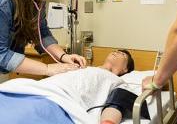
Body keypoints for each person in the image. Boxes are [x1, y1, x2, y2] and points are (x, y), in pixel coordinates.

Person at [0, 0, 86, 77]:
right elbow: (1, 54)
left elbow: (42, 32)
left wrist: (64, 56)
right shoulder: (4, 0)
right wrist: (47, 69)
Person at [0, 49, 135, 124]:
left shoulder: (117, 81)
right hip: (33, 89)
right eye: (116, 50)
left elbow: (117, 104)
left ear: (125, 69)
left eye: (122, 54)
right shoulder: (83, 67)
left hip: (57, 102)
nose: (116, 52)